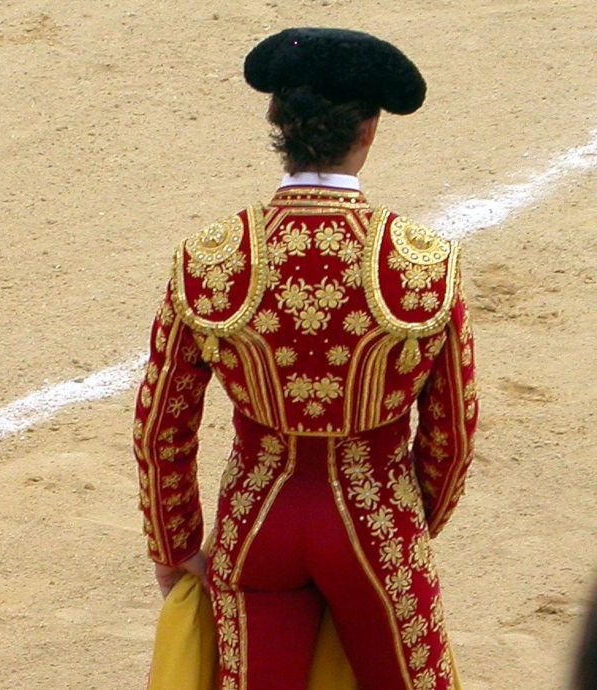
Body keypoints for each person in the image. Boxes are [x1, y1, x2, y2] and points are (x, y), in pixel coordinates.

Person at [133, 28, 477, 690]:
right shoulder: (421, 263)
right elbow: (452, 437)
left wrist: (175, 546)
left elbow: (161, 427)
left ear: (276, 122)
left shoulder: (212, 257)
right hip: (375, 518)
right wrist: (408, 525)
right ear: (370, 129)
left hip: (256, 520)